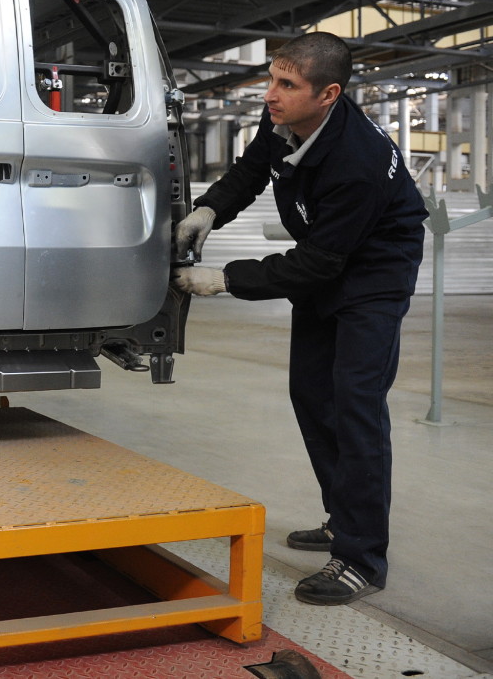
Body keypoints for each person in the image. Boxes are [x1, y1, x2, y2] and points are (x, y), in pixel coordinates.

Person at [172, 32, 427, 606]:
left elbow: (319, 263)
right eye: (271, 78)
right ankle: (343, 519)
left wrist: (224, 279)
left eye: (287, 84)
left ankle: (362, 558)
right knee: (312, 392)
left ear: (328, 94)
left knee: (356, 404)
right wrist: (208, 210)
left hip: (373, 277)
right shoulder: (286, 122)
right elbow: (251, 170)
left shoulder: (357, 160)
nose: (271, 93)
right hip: (327, 260)